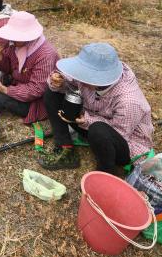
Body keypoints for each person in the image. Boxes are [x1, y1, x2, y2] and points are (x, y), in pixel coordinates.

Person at [37, 42, 154, 173]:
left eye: (85, 74)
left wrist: (88, 121)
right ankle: (65, 147)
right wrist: (57, 81)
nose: (80, 77)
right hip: (88, 122)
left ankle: (105, 172)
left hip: (121, 144)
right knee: (52, 92)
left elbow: (118, 134)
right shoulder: (87, 80)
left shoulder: (129, 101)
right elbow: (69, 81)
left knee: (99, 131)